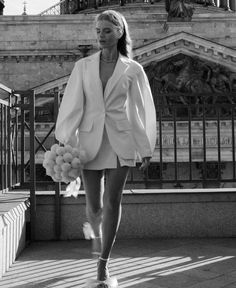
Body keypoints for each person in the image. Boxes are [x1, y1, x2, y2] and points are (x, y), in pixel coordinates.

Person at [55, 9, 156, 288]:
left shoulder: (133, 69)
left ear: (119, 32)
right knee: (94, 207)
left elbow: (142, 110)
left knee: (112, 203)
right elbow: (72, 103)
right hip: (88, 142)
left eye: (107, 31)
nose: (101, 36)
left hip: (120, 141)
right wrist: (65, 138)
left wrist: (145, 146)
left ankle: (103, 264)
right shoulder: (83, 66)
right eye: (98, 31)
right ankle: (98, 242)